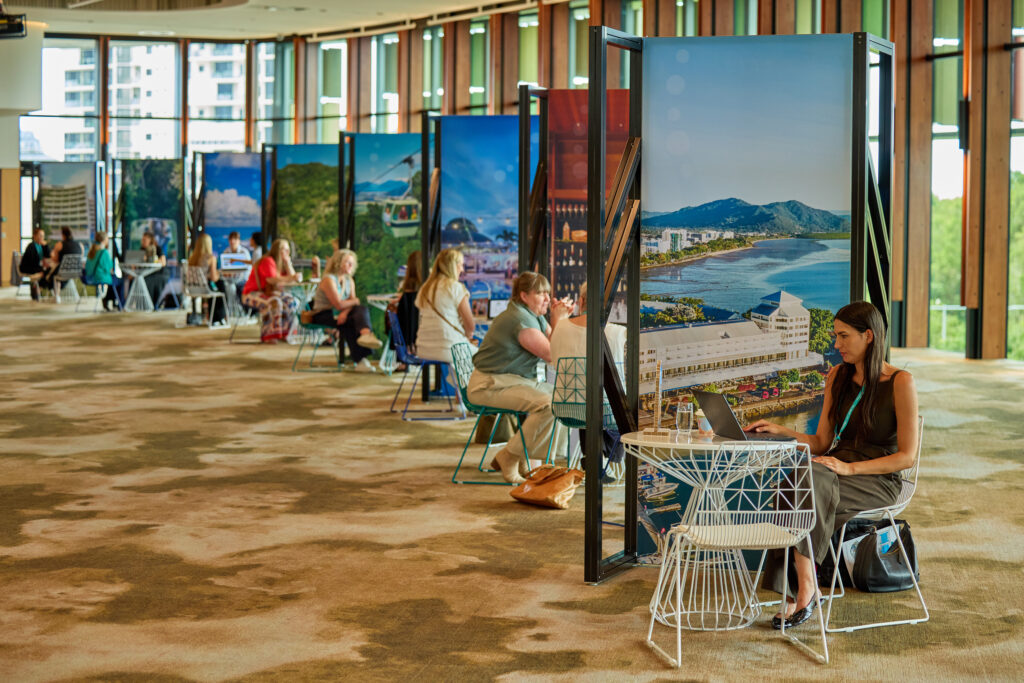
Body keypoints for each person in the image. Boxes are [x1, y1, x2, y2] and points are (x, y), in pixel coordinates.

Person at [744, 301, 920, 630]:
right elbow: (822, 442)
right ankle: (804, 587)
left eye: (843, 336)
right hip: (832, 468)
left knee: (806, 481)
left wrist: (849, 469)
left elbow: (906, 457)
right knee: (799, 480)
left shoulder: (901, 382)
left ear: (868, 336)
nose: (836, 344)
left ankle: (803, 590)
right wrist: (780, 430)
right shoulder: (837, 376)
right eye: (835, 336)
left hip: (878, 477)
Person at [467, 271, 573, 484]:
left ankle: (527, 457)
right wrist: (557, 319)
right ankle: (510, 456)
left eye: (547, 293)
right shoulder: (520, 319)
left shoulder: (533, 316)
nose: (547, 298)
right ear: (524, 296)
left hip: (511, 381)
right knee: (549, 404)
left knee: (565, 398)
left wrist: (560, 320)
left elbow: (557, 344)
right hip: (489, 386)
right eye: (540, 293)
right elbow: (552, 354)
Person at [309, 249, 382, 372]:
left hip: (339, 313)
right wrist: (354, 302)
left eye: (352, 263)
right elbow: (339, 303)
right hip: (323, 313)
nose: (351, 265)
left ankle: (365, 338)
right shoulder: (328, 280)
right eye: (348, 262)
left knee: (359, 310)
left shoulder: (349, 280)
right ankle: (361, 358)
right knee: (351, 321)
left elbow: (351, 304)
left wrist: (345, 312)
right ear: (338, 263)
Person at [415, 248, 474, 363]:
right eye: (461, 265)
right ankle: (461, 375)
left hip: (423, 349)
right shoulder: (455, 287)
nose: (462, 269)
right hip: (449, 349)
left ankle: (456, 374)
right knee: (485, 357)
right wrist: (467, 335)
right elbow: (470, 326)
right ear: (453, 266)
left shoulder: (425, 288)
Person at [242, 238, 301, 343]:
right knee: (274, 302)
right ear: (278, 250)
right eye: (284, 249)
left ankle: (286, 333)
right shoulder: (268, 260)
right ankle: (269, 335)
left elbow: (294, 280)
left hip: (269, 293)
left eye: (288, 250)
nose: (287, 252)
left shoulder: (282, 264)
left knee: (291, 301)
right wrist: (291, 277)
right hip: (251, 293)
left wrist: (288, 263)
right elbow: (271, 279)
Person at [188, 233, 227, 326]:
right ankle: (218, 317)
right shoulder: (211, 258)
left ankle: (212, 316)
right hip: (205, 289)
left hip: (192, 289)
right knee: (221, 285)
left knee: (216, 286)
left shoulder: (192, 259)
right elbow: (214, 278)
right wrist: (218, 273)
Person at [40, 226, 82, 295]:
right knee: (51, 272)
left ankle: (50, 292)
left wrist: (51, 255)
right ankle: (55, 292)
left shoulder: (60, 245)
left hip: (62, 272)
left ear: (63, 235)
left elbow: (55, 260)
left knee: (49, 273)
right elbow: (80, 258)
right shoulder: (80, 245)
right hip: (76, 272)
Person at [84, 231, 120, 311]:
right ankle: (116, 303)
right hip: (99, 277)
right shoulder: (104, 252)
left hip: (89, 278)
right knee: (118, 281)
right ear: (104, 240)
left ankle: (107, 300)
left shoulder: (91, 251)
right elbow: (109, 268)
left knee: (113, 280)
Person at [138, 231, 169, 307]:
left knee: (149, 281)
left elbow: (163, 262)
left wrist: (152, 260)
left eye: (145, 240)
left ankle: (152, 304)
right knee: (139, 279)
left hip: (160, 273)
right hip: (147, 273)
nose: (143, 241)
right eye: (142, 240)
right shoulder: (141, 250)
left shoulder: (157, 249)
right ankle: (144, 304)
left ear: (150, 240)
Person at [18, 228, 51, 301]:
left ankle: (38, 288)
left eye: (43, 236)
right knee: (46, 272)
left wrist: (46, 246)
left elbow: (48, 256)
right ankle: (38, 289)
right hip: (28, 267)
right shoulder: (31, 246)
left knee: (49, 271)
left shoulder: (42, 246)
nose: (42, 237)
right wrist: (42, 267)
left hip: (36, 267)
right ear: (35, 236)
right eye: (40, 235)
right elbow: (32, 261)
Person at [220, 230, 251, 303]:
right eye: (231, 239)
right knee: (228, 287)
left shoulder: (244, 252)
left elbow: (248, 269)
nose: (232, 241)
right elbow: (223, 268)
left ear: (239, 241)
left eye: (235, 239)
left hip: (242, 279)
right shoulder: (226, 252)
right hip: (229, 280)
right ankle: (230, 307)